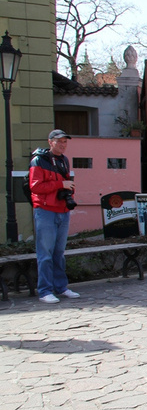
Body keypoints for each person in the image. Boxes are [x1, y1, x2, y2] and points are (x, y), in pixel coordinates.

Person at [29, 130, 80, 304]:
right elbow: (35, 187)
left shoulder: (64, 160)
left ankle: (61, 287)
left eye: (65, 142)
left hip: (62, 210)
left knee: (59, 252)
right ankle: (45, 290)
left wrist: (68, 190)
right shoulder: (38, 160)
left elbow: (65, 183)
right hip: (45, 210)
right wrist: (60, 184)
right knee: (45, 253)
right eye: (59, 142)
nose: (63, 145)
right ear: (50, 142)